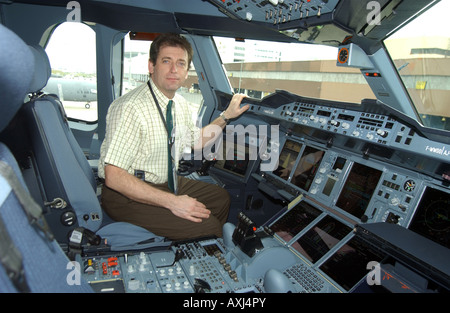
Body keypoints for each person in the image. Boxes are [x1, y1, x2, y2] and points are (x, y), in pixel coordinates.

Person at [98, 33, 249, 240]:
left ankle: (194, 245)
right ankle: (202, 246)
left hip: (166, 182)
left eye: (180, 63)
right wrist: (173, 202)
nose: (173, 69)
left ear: (187, 72)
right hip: (126, 195)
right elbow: (114, 177)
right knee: (209, 227)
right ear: (152, 66)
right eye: (166, 61)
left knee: (221, 198)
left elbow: (196, 142)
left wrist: (226, 117)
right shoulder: (130, 107)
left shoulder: (179, 104)